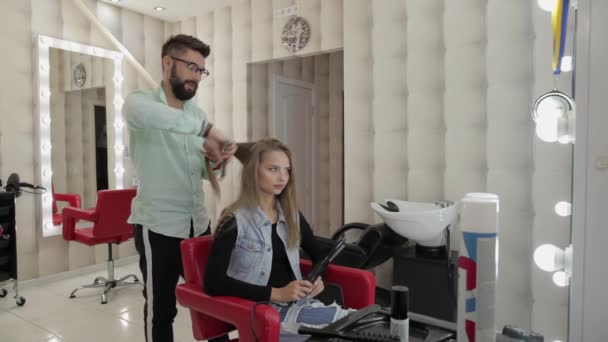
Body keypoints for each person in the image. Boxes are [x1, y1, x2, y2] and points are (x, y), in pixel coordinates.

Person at [123, 34, 236, 342]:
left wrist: (215, 162)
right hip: (158, 225)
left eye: (201, 71)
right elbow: (162, 119)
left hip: (197, 222)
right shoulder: (139, 104)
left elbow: (203, 172)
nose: (197, 77)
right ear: (168, 63)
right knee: (162, 309)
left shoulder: (197, 115)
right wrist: (209, 130)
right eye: (192, 67)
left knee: (213, 302)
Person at [204, 138, 353, 336]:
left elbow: (319, 255)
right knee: (352, 329)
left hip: (302, 306)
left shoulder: (291, 215)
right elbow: (214, 283)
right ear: (253, 172)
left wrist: (318, 278)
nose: (282, 177)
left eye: (286, 170)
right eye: (273, 169)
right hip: (264, 315)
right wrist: (277, 293)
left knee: (363, 324)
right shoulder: (233, 221)